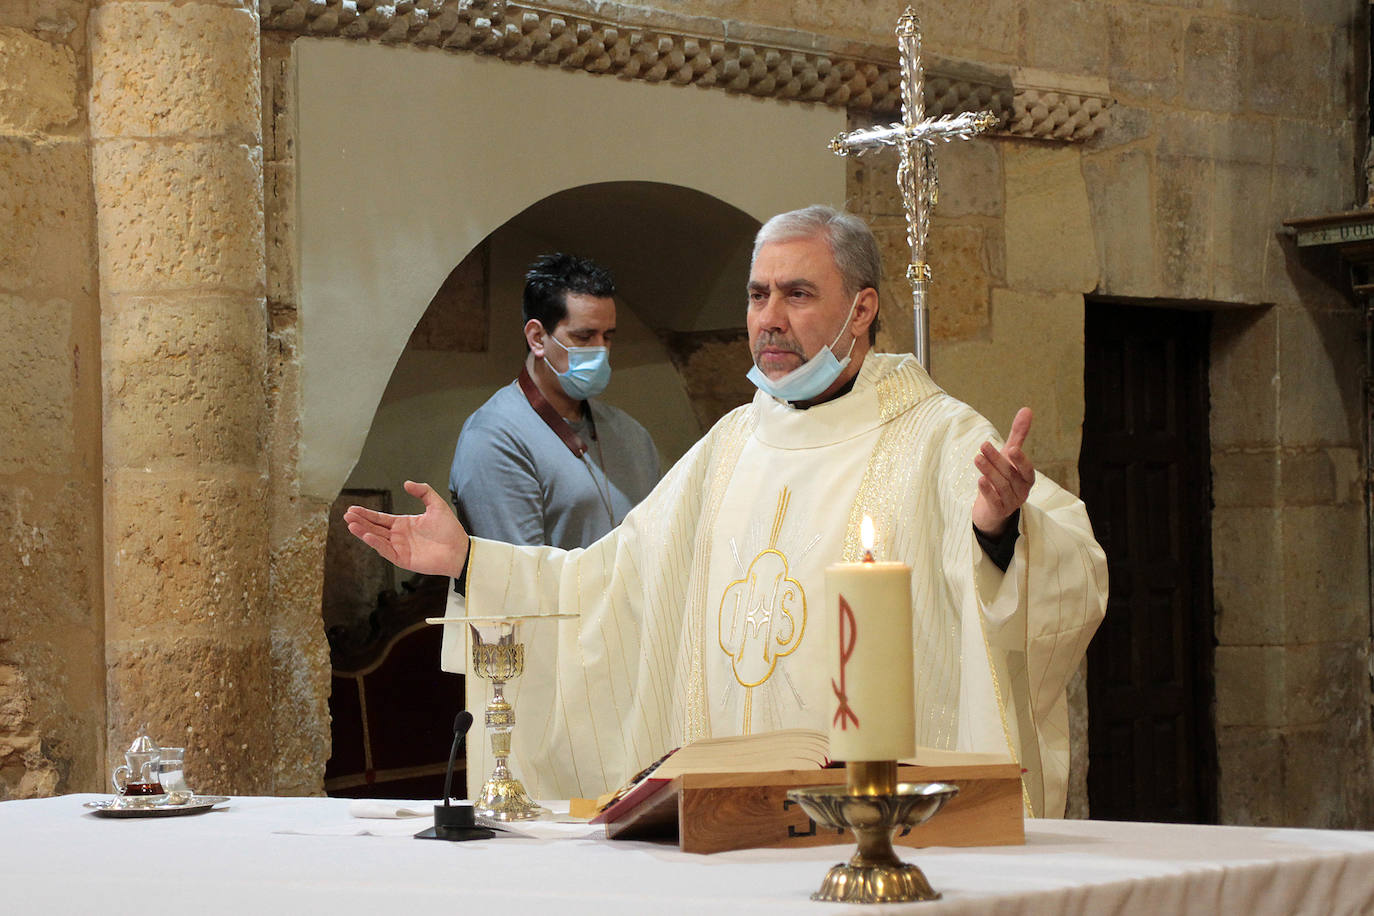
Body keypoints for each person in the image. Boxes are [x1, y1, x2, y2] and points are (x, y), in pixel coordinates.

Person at [347, 206, 1107, 818]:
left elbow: (1072, 566)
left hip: (862, 822)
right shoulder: (733, 442)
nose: (769, 318)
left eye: (797, 294)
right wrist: (471, 561)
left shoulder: (935, 433)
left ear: (863, 307)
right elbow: (611, 581)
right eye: (757, 294)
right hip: (727, 821)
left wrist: (1000, 530)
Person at [448, 253, 659, 551]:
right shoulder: (494, 438)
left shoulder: (632, 434)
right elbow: (520, 579)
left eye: (608, 336)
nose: (600, 351)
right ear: (537, 338)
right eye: (584, 337)